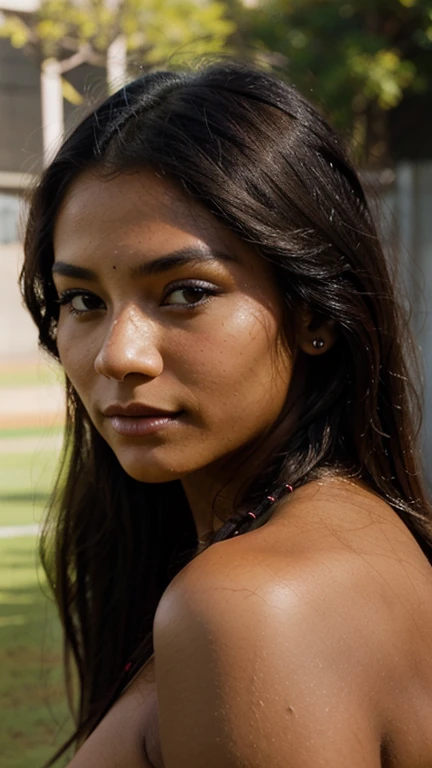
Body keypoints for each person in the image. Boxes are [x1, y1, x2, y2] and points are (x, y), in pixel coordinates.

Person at [22, 60, 432, 768]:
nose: (120, 355)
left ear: (315, 313)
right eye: (83, 301)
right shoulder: (350, 536)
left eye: (185, 291)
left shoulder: (250, 604)